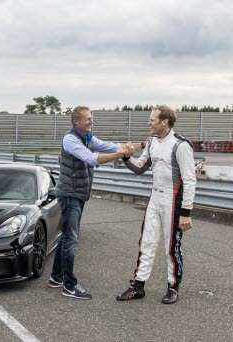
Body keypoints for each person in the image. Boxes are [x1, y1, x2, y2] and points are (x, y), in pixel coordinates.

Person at [49, 106, 138, 300]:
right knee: (71, 239)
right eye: (88, 119)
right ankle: (69, 286)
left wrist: (133, 146)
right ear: (76, 122)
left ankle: (56, 277)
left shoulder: (88, 138)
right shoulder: (70, 139)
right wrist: (120, 155)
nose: (91, 121)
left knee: (66, 237)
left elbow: (109, 145)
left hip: (78, 194)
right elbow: (91, 158)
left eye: (91, 118)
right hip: (70, 195)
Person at [116, 105, 196, 304]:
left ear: (164, 122)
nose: (148, 123)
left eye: (152, 120)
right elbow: (140, 168)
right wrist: (126, 156)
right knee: (147, 242)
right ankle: (139, 286)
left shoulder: (181, 145)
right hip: (155, 198)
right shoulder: (151, 142)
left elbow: (190, 180)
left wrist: (186, 212)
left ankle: (173, 286)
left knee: (172, 247)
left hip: (174, 201)